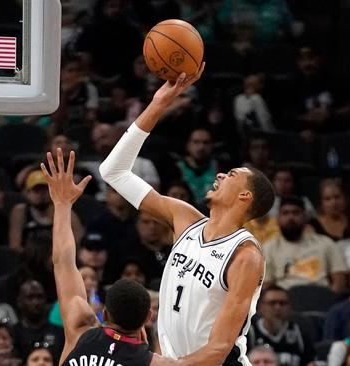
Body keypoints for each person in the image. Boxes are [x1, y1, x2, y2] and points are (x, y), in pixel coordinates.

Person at [99, 68, 282, 365]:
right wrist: (159, 103)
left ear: (245, 196)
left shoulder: (245, 256)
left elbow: (219, 349)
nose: (221, 173)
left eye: (232, 174)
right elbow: (113, 172)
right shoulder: (185, 219)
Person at [41, 147, 166, 366]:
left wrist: (62, 205)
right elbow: (214, 352)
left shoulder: (80, 332)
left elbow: (63, 262)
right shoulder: (154, 362)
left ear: (105, 315)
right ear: (148, 317)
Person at [264, 196, 349, 293]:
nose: (290, 218)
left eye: (296, 213)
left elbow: (340, 279)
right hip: (285, 301)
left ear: (305, 217)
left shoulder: (325, 243)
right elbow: (266, 285)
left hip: (320, 298)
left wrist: (330, 303)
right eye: (285, 213)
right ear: (278, 219)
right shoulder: (269, 248)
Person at [9, 170, 83, 250]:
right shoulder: (21, 211)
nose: (41, 195)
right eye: (36, 191)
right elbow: (15, 247)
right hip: (29, 258)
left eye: (45, 190)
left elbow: (79, 242)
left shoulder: (65, 212)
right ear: (27, 193)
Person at [247, 286, 314, 366]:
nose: (278, 307)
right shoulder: (250, 332)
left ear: (290, 307)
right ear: (261, 307)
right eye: (272, 303)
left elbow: (310, 363)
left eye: (282, 303)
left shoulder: (299, 333)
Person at [13, 279, 64, 362]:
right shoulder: (13, 334)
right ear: (19, 302)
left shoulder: (60, 333)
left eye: (39, 297)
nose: (35, 302)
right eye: (30, 297)